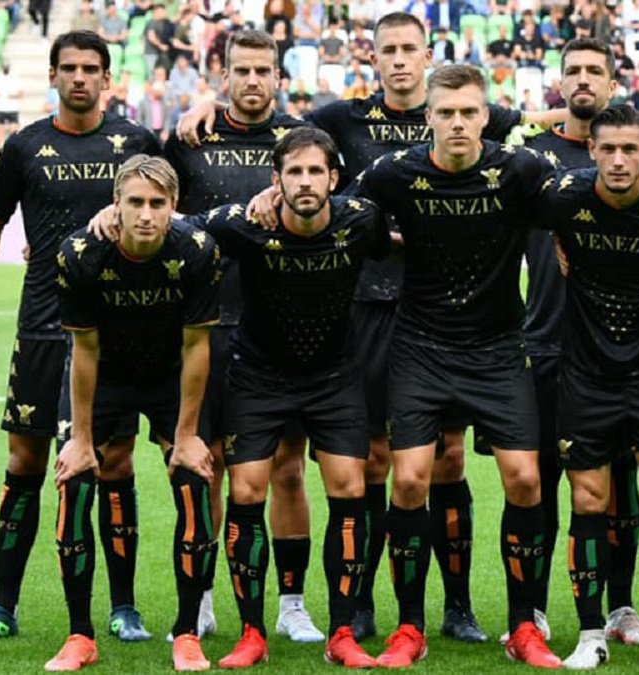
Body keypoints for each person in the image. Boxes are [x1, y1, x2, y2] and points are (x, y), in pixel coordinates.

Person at [173, 12, 572, 645]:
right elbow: (286, 137)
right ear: (375, 58)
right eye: (390, 50)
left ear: (429, 56)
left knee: (448, 458)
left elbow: (550, 124)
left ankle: (458, 605)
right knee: (379, 460)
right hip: (365, 304)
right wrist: (209, 107)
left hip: (449, 312)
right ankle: (356, 606)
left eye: (411, 49)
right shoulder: (341, 119)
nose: (401, 59)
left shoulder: (477, 118)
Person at [338, 64, 562, 669]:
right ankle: (409, 627)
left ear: (485, 116)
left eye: (468, 112)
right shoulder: (396, 172)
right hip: (421, 348)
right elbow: (338, 210)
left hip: (497, 349)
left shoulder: (519, 169)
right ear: (428, 117)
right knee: (409, 482)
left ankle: (524, 626)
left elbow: (580, 191)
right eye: (446, 112)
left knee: (525, 480)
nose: (458, 122)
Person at [0, 30, 159, 648]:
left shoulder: (135, 142)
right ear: (52, 75)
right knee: (26, 462)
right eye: (68, 67)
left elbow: (166, 215)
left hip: (116, 332)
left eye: (91, 68)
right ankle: (2, 606)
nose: (79, 77)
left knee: (114, 463)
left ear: (107, 77)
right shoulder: (24, 146)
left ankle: (124, 608)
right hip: (43, 326)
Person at [184, 129, 391, 669]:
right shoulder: (243, 224)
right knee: (247, 489)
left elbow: (400, 242)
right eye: (293, 172)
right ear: (275, 181)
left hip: (335, 378)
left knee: (350, 487)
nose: (305, 181)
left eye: (314, 171)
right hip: (259, 377)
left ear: (334, 179)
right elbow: (178, 228)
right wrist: (108, 216)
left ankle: (342, 632)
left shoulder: (360, 220)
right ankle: (251, 632)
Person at [512, 37, 639, 649]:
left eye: (595, 71)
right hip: (545, 339)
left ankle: (621, 608)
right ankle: (531, 611)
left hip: (623, 353)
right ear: (558, 83)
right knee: (538, 482)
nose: (583, 79)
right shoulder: (529, 154)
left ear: (613, 85)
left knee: (620, 487)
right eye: (573, 71)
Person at [162, 28, 321, 644]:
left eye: (263, 70)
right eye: (241, 70)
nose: (253, 80)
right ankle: (201, 597)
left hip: (282, 330)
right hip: (203, 325)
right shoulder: (190, 139)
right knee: (205, 467)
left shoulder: (303, 139)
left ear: (279, 76)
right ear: (223, 76)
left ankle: (292, 604)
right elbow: (157, 207)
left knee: (287, 468)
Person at [538, 105, 639, 671]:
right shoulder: (563, 199)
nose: (618, 159)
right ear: (591, 151)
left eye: (631, 148)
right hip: (586, 378)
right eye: (607, 148)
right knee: (587, 500)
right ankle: (589, 636)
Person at [54, 154, 220, 671]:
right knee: (75, 482)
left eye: (157, 203)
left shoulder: (197, 250)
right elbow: (84, 350)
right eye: (135, 202)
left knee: (194, 481)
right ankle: (80, 635)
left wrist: (186, 436)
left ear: (174, 206)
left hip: (171, 375)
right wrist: (81, 439)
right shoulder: (80, 254)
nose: (146, 214)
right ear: (116, 204)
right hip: (106, 376)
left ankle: (187, 633)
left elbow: (197, 346)